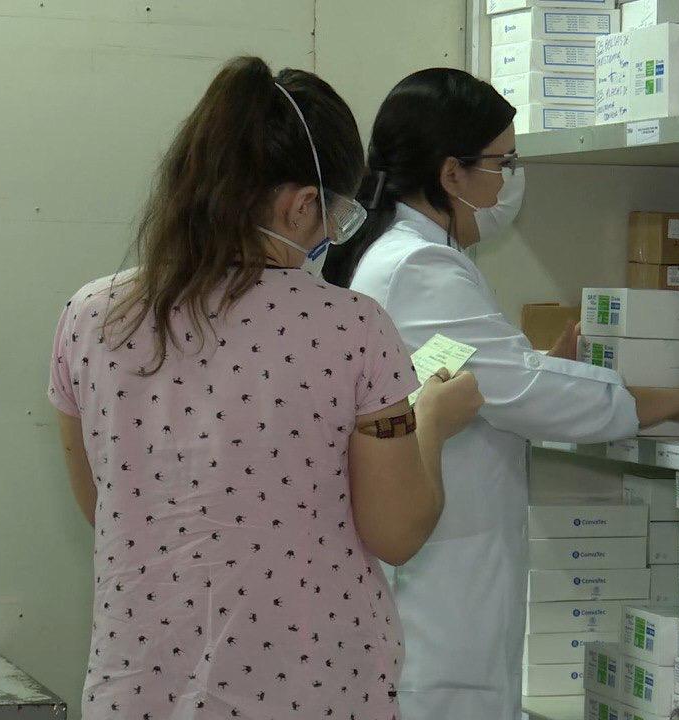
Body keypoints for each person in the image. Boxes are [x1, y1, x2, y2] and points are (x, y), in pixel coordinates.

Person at [47, 57, 482, 720]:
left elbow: (107, 506)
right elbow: (395, 531)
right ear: (300, 204)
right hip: (312, 690)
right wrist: (432, 423)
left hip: (140, 689)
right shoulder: (352, 328)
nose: (334, 232)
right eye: (337, 212)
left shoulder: (90, 317)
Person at [324, 68, 679, 720]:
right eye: (504, 163)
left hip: (440, 576)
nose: (510, 181)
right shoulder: (419, 266)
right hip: (436, 591)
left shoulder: (402, 254)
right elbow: (516, 391)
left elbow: (462, 371)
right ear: (452, 174)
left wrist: (539, 371)